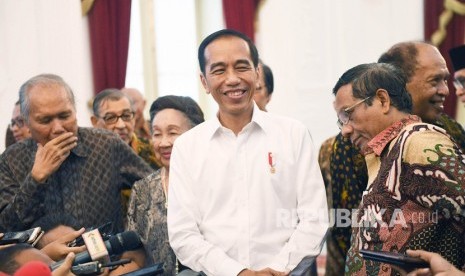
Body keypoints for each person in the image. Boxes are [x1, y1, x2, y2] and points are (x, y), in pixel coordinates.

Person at [167, 29, 328, 275]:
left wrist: (276, 269)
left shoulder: (293, 134)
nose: (232, 79)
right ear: (204, 82)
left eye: (241, 67)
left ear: (257, 72)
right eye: (219, 70)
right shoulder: (188, 147)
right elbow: (183, 233)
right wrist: (237, 272)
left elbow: (314, 219)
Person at [324, 41, 465, 276]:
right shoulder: (384, 150)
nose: (345, 130)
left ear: (383, 100)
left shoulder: (419, 141)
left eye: (347, 114)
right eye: (340, 121)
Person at [0, 74, 153, 233]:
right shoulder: (11, 160)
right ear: (26, 121)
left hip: (111, 256)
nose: (58, 128)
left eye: (65, 116)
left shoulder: (105, 145)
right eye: (46, 120)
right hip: (41, 257)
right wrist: (35, 179)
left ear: (75, 111)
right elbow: (6, 228)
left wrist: (137, 245)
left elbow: (156, 191)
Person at [112, 95, 205, 276]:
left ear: (196, 134)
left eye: (172, 133)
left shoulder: (215, 182)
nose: (163, 143)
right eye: (156, 134)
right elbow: (135, 257)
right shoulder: (143, 190)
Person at [91, 88, 158, 170]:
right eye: (111, 118)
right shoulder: (88, 155)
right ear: (95, 122)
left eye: (126, 116)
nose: (121, 125)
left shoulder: (153, 151)